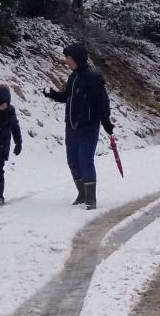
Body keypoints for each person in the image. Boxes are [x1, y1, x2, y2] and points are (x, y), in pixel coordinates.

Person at [43, 42, 114, 210]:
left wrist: (106, 123)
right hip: (71, 126)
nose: (65, 61)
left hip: (88, 126)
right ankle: (81, 194)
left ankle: (91, 199)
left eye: (68, 57)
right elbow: (68, 97)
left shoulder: (93, 76)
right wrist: (53, 95)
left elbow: (102, 102)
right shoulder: (73, 76)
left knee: (85, 160)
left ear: (76, 58)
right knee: (73, 161)